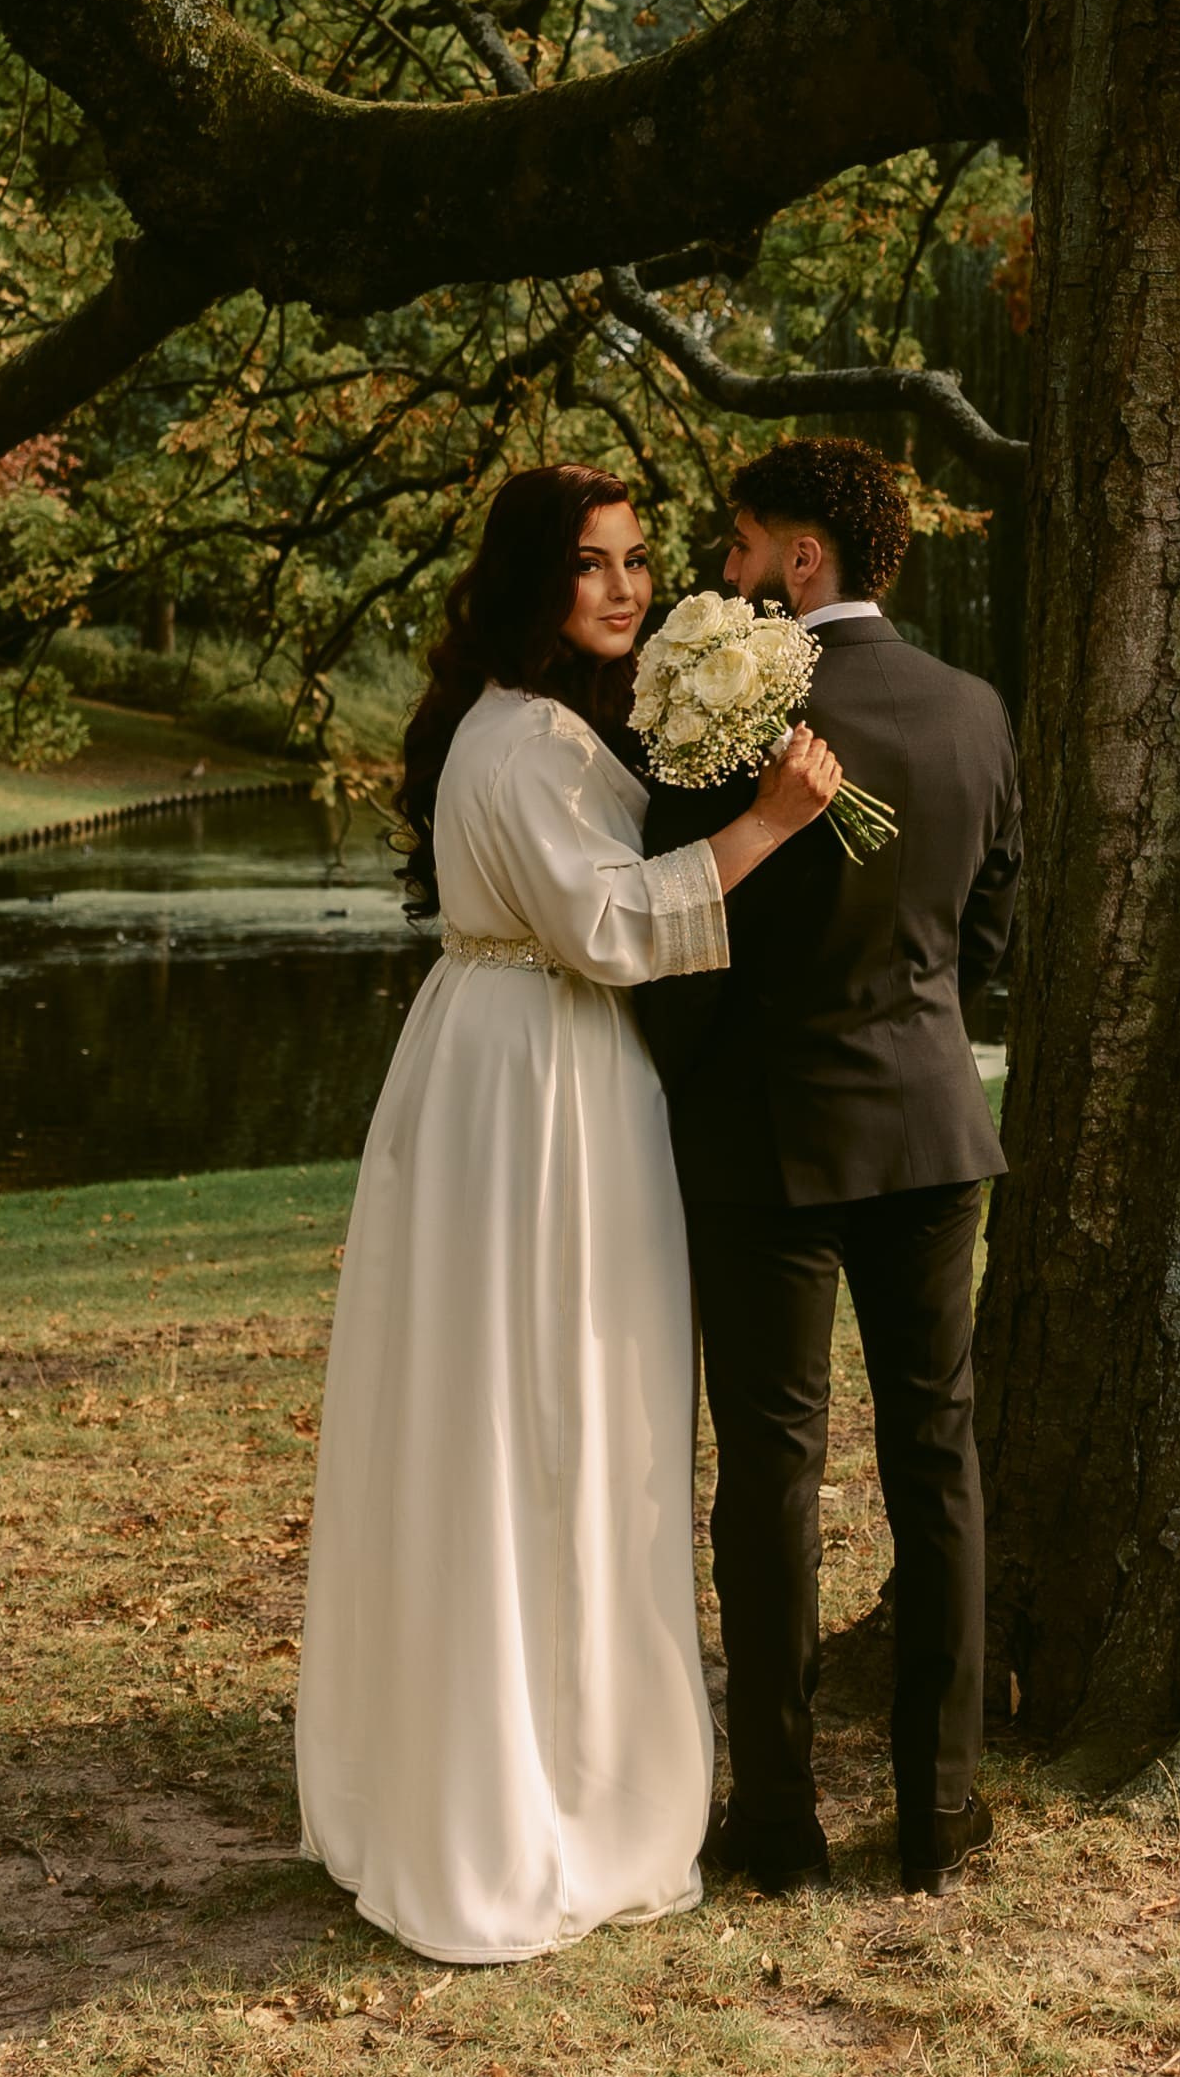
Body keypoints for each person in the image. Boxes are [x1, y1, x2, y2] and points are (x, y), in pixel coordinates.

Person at [295, 464, 841, 1965]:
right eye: (592, 565)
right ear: (535, 582)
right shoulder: (528, 741)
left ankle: (515, 1755)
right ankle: (530, 1790)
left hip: (501, 1063)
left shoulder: (522, 723)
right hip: (540, 1080)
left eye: (637, 560)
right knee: (551, 1408)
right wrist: (771, 824)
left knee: (517, 1407)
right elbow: (608, 925)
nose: (624, 588)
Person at [642, 436, 1022, 1901]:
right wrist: (914, 1025)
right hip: (930, 1128)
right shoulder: (974, 709)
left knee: (773, 1475)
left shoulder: (724, 716)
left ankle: (782, 1822)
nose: (724, 572)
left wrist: (687, 1077)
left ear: (804, 558)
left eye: (742, 545)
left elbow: (682, 938)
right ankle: (939, 1809)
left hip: (767, 1141)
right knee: (938, 1458)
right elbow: (990, 929)